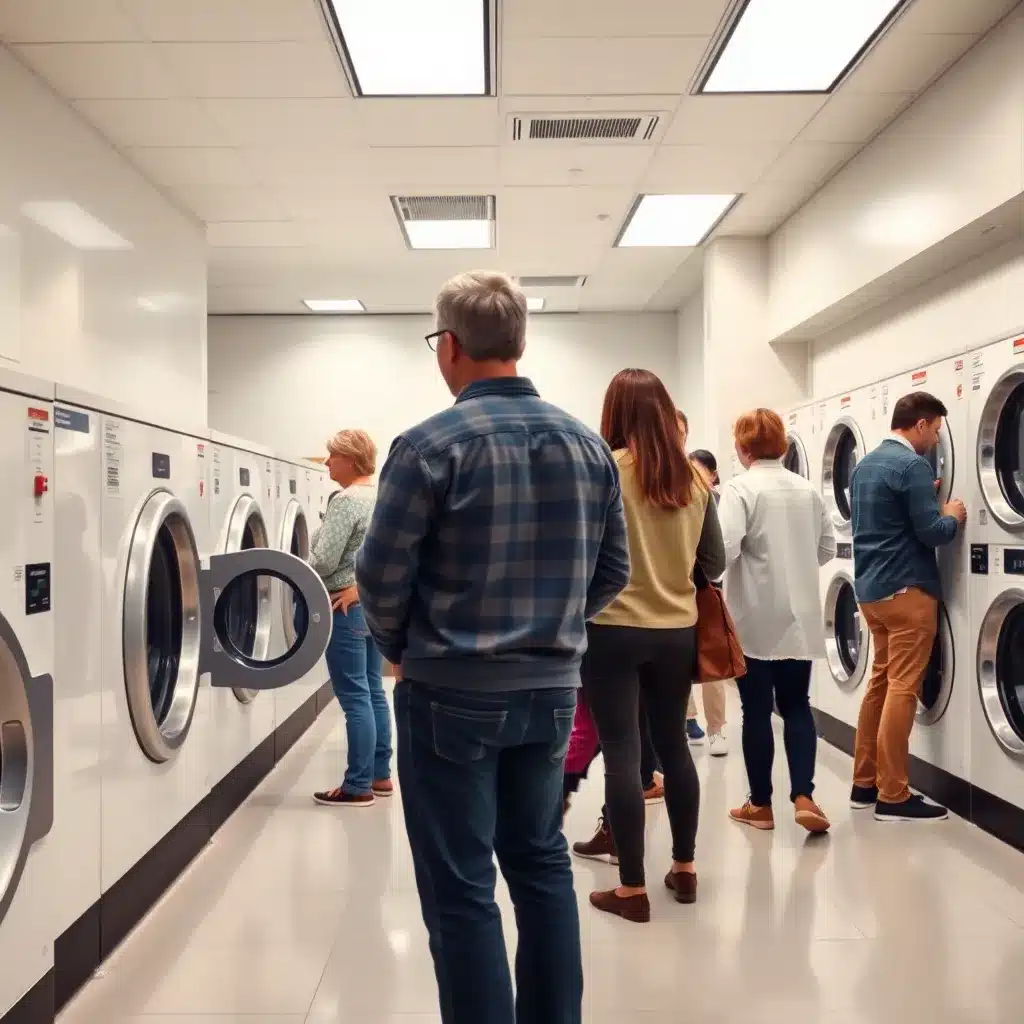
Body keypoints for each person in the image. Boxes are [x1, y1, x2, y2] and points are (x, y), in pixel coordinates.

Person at [355, 271, 629, 1024]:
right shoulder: (587, 446)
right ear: (519, 343)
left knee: (462, 884)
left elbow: (381, 575)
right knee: (541, 865)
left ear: (448, 347)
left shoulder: (427, 446)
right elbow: (615, 571)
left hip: (450, 693)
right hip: (550, 692)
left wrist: (405, 646)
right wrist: (555, 632)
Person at [579, 369, 726, 923]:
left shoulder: (605, 471)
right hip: (676, 632)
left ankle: (632, 889)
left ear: (614, 413)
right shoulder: (693, 479)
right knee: (672, 746)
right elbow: (714, 563)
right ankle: (684, 869)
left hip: (611, 630)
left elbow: (583, 554)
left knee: (622, 751)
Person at [717, 409, 836, 833]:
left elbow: (725, 549)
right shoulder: (806, 490)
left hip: (753, 618)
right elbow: (826, 549)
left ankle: (761, 805)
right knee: (797, 705)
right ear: (781, 446)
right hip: (800, 615)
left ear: (744, 448)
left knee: (755, 710)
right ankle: (804, 794)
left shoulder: (740, 489)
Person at [849, 391, 966, 822]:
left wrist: (923, 498)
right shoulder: (912, 466)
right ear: (919, 425)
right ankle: (893, 796)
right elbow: (934, 532)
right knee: (902, 688)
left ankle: (864, 784)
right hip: (907, 592)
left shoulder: (866, 464)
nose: (935, 439)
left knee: (879, 684)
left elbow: (886, 519)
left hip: (871, 593)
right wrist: (951, 513)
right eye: (935, 429)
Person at [309, 429, 391, 807]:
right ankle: (380, 775)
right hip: (372, 604)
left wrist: (298, 557)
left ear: (351, 459)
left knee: (355, 696)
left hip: (343, 606)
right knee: (373, 690)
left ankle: (357, 786)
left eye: (332, 456)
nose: (327, 463)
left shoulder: (345, 501)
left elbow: (324, 561)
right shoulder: (382, 496)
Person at [685, 448, 729, 756]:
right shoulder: (678, 493)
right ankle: (689, 718)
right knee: (679, 661)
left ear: (712, 475)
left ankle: (717, 729)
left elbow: (718, 557)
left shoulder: (719, 500)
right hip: (680, 589)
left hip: (707, 588)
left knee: (712, 659)